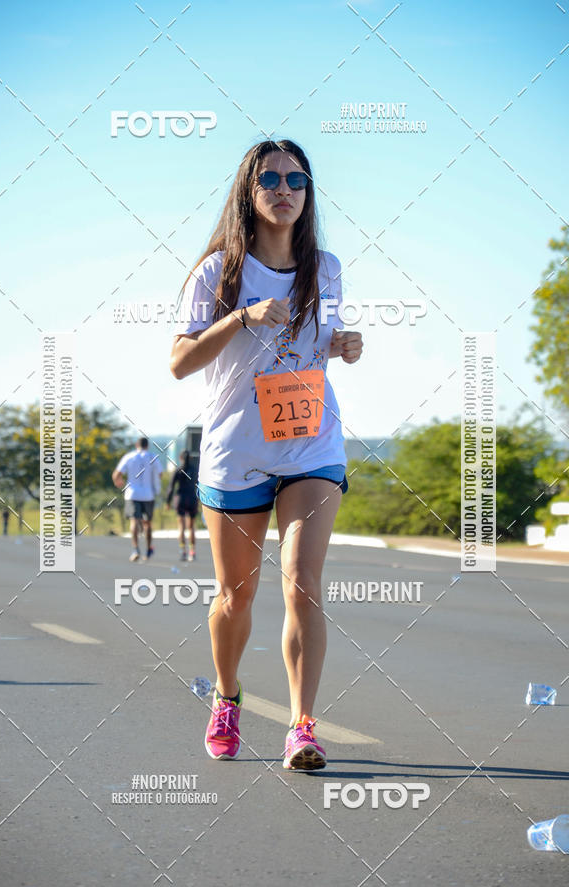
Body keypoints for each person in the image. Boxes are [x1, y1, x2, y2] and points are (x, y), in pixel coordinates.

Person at [170, 139, 363, 771]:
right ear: (249, 192)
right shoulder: (216, 272)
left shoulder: (326, 268)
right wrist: (240, 318)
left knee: (304, 585)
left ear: (308, 195)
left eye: (297, 179)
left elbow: (304, 346)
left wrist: (340, 344)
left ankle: (302, 727)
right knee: (235, 597)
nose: (285, 188)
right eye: (271, 178)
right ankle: (227, 696)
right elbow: (179, 362)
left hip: (312, 443)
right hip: (237, 451)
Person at [112, 437, 163, 562]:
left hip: (132, 494)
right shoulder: (152, 457)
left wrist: (119, 483)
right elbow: (160, 474)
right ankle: (148, 550)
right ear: (147, 445)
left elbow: (116, 475)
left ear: (136, 445)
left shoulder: (129, 456)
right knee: (147, 523)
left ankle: (135, 549)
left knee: (134, 521)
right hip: (148, 494)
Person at [166, 450, 199, 561]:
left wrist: (168, 501)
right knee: (191, 527)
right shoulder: (195, 470)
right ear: (190, 458)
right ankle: (192, 551)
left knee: (181, 526)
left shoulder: (178, 470)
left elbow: (171, 487)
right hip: (192, 498)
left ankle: (183, 551)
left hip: (180, 499)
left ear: (181, 458)